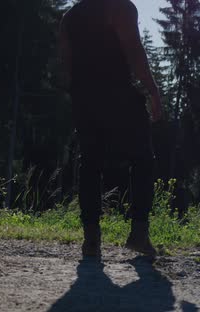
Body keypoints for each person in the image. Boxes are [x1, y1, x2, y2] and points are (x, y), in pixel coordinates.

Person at [58, 0, 162, 257]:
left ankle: (91, 240)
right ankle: (139, 233)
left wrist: (78, 96)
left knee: (90, 163)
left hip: (84, 98)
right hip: (118, 95)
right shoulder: (120, 7)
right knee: (142, 158)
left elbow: (66, 67)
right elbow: (134, 50)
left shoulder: (69, 18)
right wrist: (153, 91)